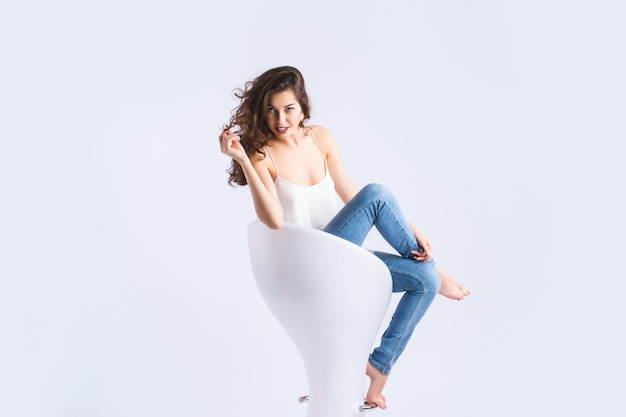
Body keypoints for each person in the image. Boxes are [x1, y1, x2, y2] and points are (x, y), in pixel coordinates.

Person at [219, 66, 469, 409]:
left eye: (289, 108)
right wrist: (244, 159)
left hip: (339, 258)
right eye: (272, 110)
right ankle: (440, 272)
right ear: (263, 112)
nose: (281, 119)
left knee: (423, 278)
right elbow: (274, 221)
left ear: (303, 107)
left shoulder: (321, 138)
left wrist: (411, 228)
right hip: (307, 265)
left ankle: (378, 368)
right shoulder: (263, 154)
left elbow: (353, 197)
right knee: (378, 192)